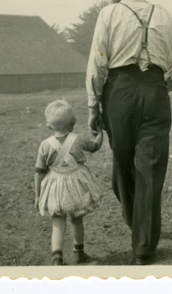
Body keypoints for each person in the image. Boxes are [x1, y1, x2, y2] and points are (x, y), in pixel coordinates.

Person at [86, 0, 172, 265]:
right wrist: (165, 83)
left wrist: (93, 106)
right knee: (149, 170)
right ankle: (143, 237)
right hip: (155, 93)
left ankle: (142, 241)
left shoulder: (109, 14)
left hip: (119, 93)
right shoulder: (163, 13)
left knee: (123, 166)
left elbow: (97, 63)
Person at [34, 99, 104, 265]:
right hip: (76, 187)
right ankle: (79, 253)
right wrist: (100, 134)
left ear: (49, 126)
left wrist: (38, 195)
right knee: (77, 219)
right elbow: (94, 147)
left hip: (55, 188)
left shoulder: (45, 145)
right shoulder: (78, 139)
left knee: (57, 223)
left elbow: (38, 173)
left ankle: (57, 258)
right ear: (73, 122)